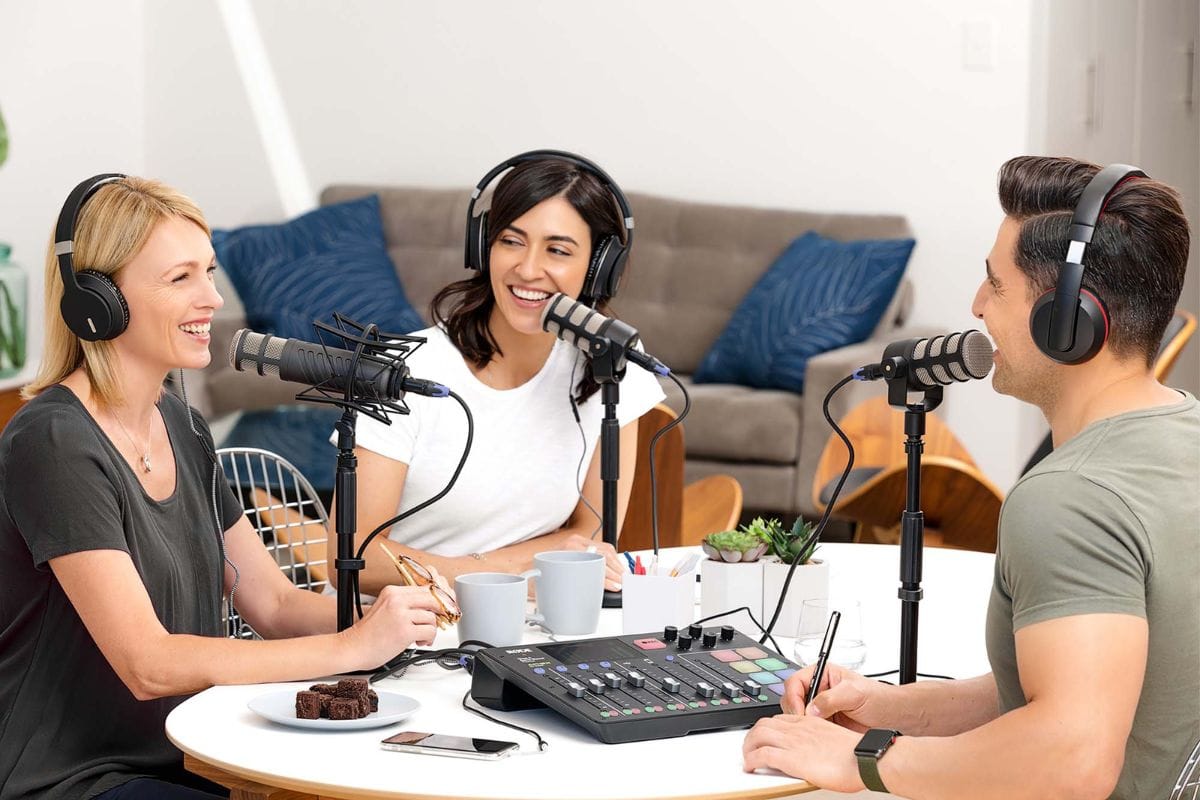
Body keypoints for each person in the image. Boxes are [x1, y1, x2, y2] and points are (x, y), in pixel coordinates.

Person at [742, 156, 1198, 799]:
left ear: (1066, 321)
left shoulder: (1070, 498)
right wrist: (888, 710)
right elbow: (1071, 688)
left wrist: (863, 761)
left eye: (996, 285)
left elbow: (1073, 757)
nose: (977, 306)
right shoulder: (1185, 436)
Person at [0, 175, 449, 800]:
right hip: (72, 779)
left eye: (208, 272)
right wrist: (351, 647)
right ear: (98, 301)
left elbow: (275, 606)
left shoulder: (182, 424)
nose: (211, 297)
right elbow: (149, 665)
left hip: (190, 755)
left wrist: (394, 622)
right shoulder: (53, 441)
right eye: (179, 277)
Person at [330, 152, 664, 597]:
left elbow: (591, 535)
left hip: (522, 618)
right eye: (511, 241)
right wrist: (495, 573)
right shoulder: (403, 369)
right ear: (484, 246)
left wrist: (512, 579)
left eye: (558, 250)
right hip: (389, 621)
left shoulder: (613, 363)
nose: (527, 269)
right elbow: (354, 558)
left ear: (600, 267)